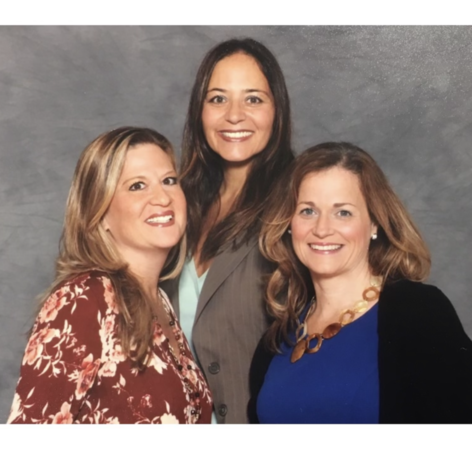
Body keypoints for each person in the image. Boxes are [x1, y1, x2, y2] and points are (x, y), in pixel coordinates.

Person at [249, 142, 472, 423]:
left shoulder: (418, 313)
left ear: (375, 223)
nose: (322, 229)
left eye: (343, 212)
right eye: (308, 211)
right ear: (289, 223)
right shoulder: (277, 340)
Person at [7, 127, 213, 424]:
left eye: (169, 180)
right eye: (137, 186)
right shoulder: (83, 300)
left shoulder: (161, 302)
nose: (162, 198)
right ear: (100, 213)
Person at [162, 38, 294, 423]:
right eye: (218, 99)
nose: (234, 115)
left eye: (253, 99)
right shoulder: (174, 203)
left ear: (277, 110)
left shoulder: (298, 204)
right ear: (199, 112)